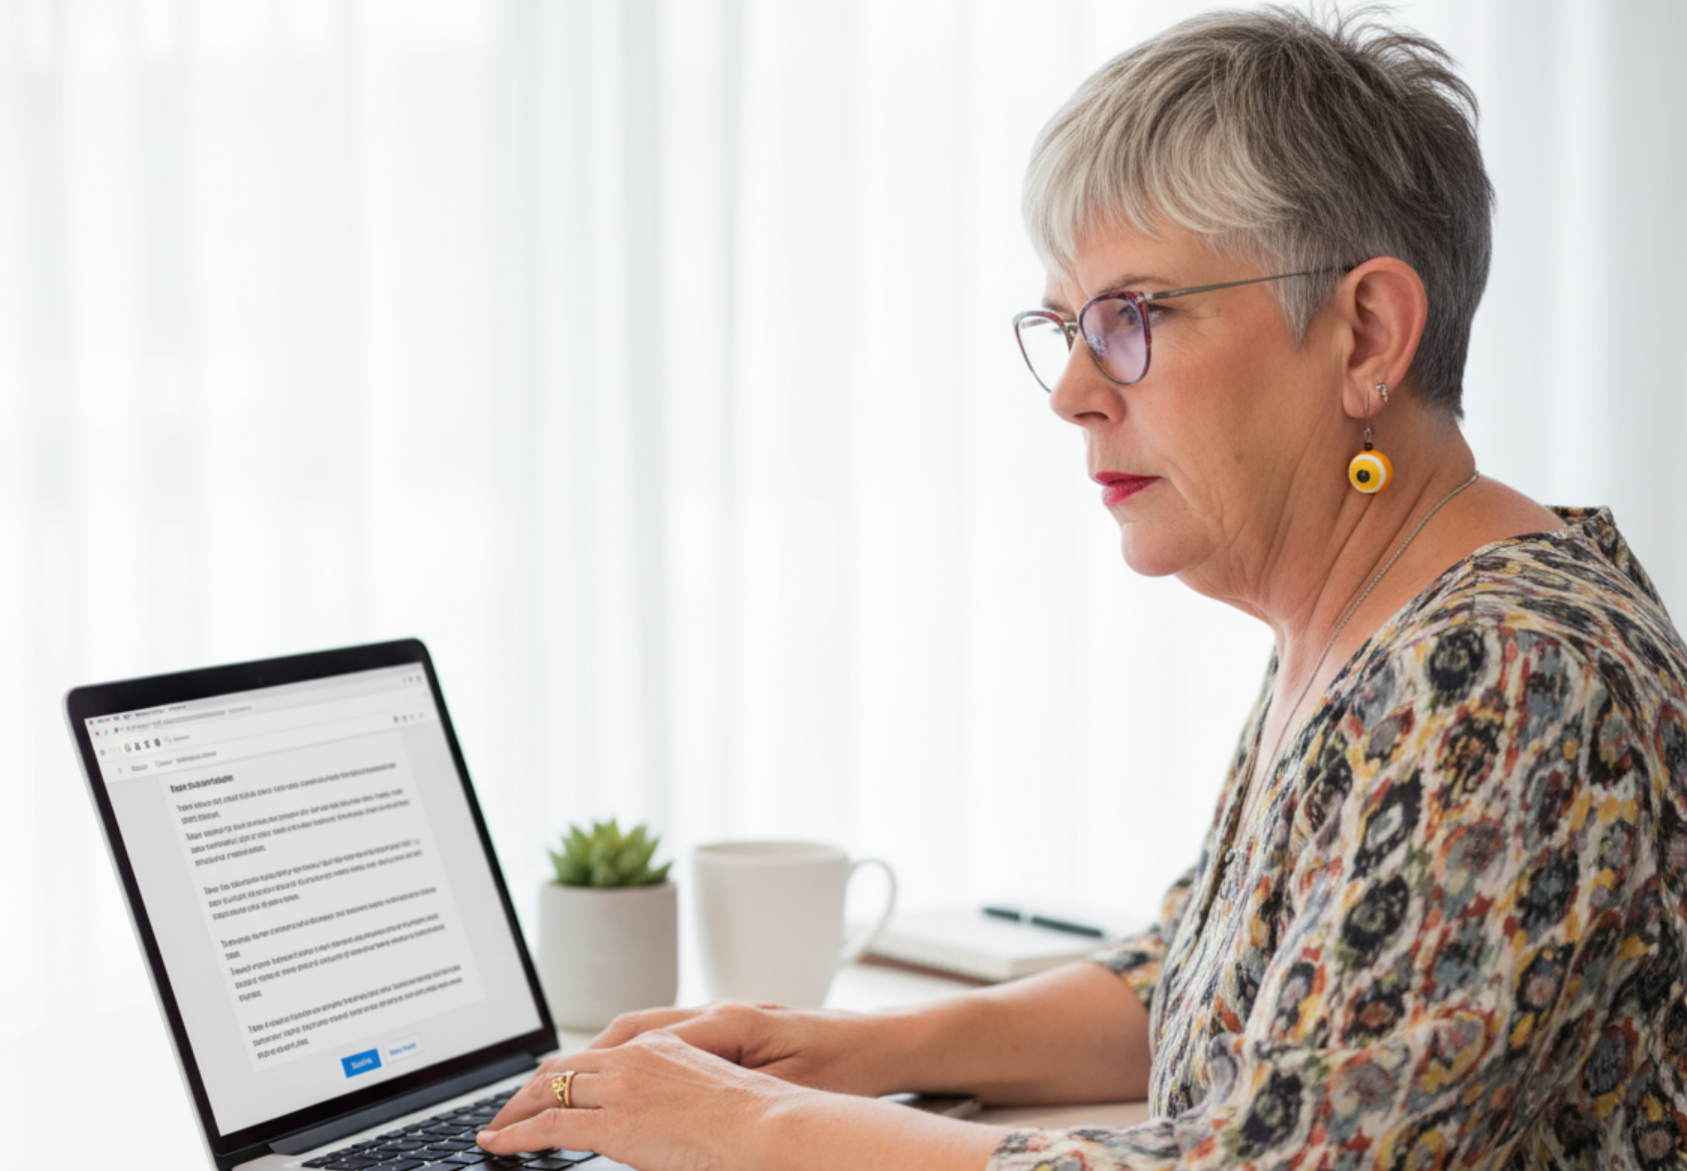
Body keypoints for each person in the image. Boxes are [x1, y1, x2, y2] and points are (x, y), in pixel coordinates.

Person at [476, 8, 1687, 1169]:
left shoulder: (1506, 675)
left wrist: (748, 1131)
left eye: (1131, 317)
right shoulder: (1375, 620)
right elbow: (1208, 979)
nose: (1071, 392)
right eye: (1064, 328)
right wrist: (831, 1051)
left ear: (1365, 333)